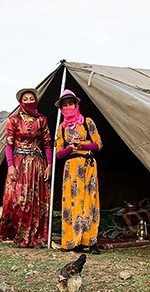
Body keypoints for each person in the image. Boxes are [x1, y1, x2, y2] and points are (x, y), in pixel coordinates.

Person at [0, 87, 53, 248]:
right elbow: (8, 145)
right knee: (16, 199)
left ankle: (35, 236)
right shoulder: (13, 120)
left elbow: (47, 144)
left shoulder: (42, 120)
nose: (28, 101)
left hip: (37, 163)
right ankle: (18, 234)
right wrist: (10, 166)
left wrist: (49, 165)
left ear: (35, 100)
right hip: (19, 162)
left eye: (31, 98)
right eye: (25, 99)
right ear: (20, 101)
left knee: (36, 201)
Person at [55, 89, 103, 255]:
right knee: (72, 203)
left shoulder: (87, 122)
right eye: (65, 105)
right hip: (71, 168)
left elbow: (98, 144)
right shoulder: (61, 128)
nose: (68, 107)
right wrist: (70, 148)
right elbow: (59, 153)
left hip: (88, 164)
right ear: (61, 108)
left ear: (76, 104)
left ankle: (90, 241)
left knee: (89, 201)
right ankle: (72, 241)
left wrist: (82, 145)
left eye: (71, 103)